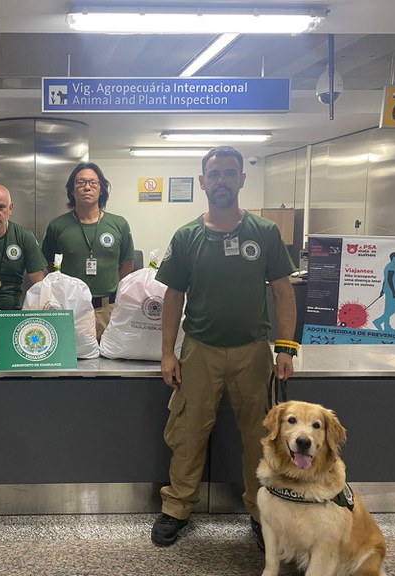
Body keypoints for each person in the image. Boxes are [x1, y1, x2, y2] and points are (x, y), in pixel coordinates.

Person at [152, 145, 297, 549]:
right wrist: (168, 352)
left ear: (241, 179)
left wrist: (285, 349)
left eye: (229, 173)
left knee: (261, 436)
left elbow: (284, 293)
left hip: (253, 352)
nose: (222, 181)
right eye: (214, 174)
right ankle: (177, 507)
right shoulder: (186, 237)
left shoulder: (265, 233)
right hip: (200, 350)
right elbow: (173, 297)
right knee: (187, 432)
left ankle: (259, 510)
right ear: (203, 182)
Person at [41, 162, 136, 339]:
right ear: (71, 189)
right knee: (71, 361)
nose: (87, 187)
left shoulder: (119, 224)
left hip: (108, 309)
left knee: (109, 362)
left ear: (102, 189)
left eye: (93, 183)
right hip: (70, 308)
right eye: (80, 182)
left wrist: (114, 292)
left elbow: (128, 263)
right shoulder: (57, 226)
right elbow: (50, 264)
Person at [372, 251, 395, 332]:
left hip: (388, 290)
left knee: (388, 309)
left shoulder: (390, 266)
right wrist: (393, 292)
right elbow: (389, 280)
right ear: (394, 258)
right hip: (391, 291)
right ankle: (378, 322)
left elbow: (385, 280)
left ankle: (387, 327)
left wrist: (382, 290)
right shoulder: (391, 267)